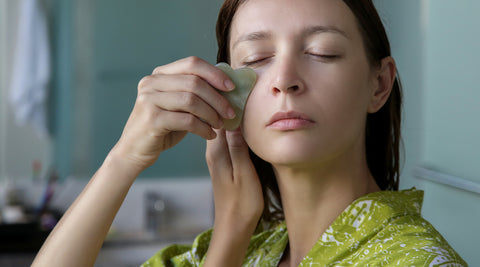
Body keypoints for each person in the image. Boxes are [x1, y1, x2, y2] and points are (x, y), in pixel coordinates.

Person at [32, 0, 467, 266]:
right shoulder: (246, 249)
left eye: (322, 51)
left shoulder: (418, 261)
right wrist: (124, 159)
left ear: (379, 84)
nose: (285, 79)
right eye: (257, 58)